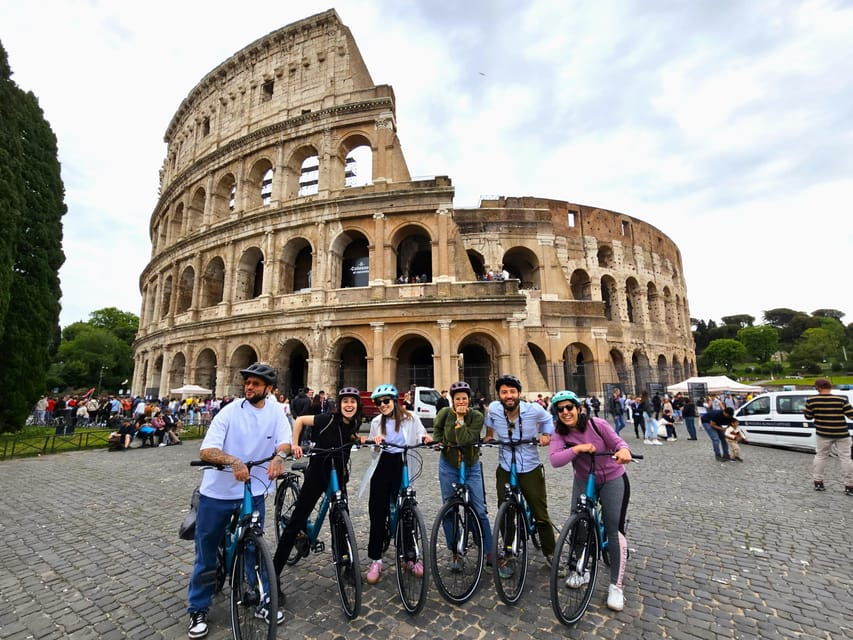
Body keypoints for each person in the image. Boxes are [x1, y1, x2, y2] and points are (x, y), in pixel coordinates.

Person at [185, 362, 292, 639]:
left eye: (255, 383)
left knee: (254, 548)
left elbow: (284, 441)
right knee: (206, 553)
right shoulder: (230, 412)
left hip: (253, 490)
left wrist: (280, 457)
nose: (249, 386)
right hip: (218, 492)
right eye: (247, 382)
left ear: (269, 389)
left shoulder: (277, 412)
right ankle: (198, 607)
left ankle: (260, 598)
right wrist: (232, 460)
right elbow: (207, 450)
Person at [548, 389, 633, 612]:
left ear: (578, 408)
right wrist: (578, 448)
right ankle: (580, 568)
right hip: (585, 480)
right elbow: (555, 460)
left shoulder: (597, 424)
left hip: (612, 477)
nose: (565, 412)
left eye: (569, 407)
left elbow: (618, 443)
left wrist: (624, 451)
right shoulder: (560, 433)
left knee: (614, 528)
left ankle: (616, 585)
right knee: (578, 524)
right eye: (560, 409)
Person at [273, 387, 363, 591]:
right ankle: (274, 573)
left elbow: (351, 438)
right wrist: (295, 444)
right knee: (296, 522)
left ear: (357, 405)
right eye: (345, 401)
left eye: (353, 401)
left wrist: (361, 439)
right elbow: (300, 421)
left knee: (341, 519)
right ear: (339, 405)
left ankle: (346, 563)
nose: (349, 405)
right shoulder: (327, 419)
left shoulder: (354, 423)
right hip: (317, 473)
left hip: (338, 475)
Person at [360, 384, 432, 584]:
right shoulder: (376, 421)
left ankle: (409, 556)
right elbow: (374, 453)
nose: (382, 405)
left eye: (386, 401)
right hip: (382, 466)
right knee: (377, 511)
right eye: (378, 402)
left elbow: (420, 435)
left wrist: (425, 438)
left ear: (394, 402)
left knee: (406, 512)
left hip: (402, 464)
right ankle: (376, 559)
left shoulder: (411, 418)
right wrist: (375, 443)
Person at [483, 374, 556, 562]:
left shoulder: (533, 410)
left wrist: (546, 434)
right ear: (499, 395)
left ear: (519, 394)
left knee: (540, 512)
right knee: (505, 510)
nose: (509, 396)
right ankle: (508, 548)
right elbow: (489, 421)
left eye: (512, 392)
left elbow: (548, 419)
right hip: (506, 466)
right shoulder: (493, 409)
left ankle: (551, 553)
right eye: (504, 392)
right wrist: (489, 434)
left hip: (530, 466)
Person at [431, 381, 493, 567]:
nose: (461, 402)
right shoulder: (443, 413)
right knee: (449, 510)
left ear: (469, 399)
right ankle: (455, 551)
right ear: (452, 399)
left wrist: (459, 420)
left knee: (480, 509)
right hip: (448, 465)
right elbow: (438, 430)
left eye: (464, 398)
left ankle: (489, 551)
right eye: (457, 398)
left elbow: (466, 439)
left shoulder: (476, 416)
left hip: (471, 465)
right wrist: (438, 441)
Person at [804, 379, 853, 494]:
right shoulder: (841, 400)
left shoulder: (811, 400)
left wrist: (807, 411)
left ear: (818, 388)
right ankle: (849, 486)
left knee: (821, 457)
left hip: (823, 433)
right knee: (846, 458)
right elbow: (851, 415)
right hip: (842, 433)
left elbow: (808, 417)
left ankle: (818, 482)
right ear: (830, 387)